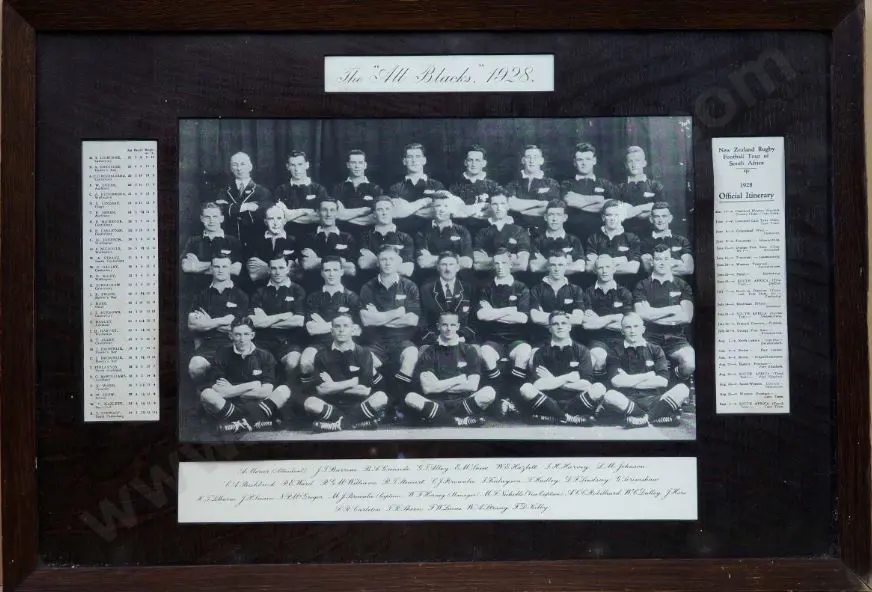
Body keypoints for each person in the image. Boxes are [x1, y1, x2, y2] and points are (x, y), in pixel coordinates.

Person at [199, 318, 291, 434]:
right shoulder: (222, 353)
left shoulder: (265, 356)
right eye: (237, 334)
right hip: (230, 405)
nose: (242, 339)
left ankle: (238, 424)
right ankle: (255, 422)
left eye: (246, 334)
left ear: (252, 335)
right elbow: (219, 391)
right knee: (207, 394)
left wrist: (232, 389)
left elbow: (266, 392)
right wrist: (252, 385)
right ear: (231, 335)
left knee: (284, 390)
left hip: (258, 404)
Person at [404, 312, 494, 427]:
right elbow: (428, 388)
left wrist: (439, 385)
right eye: (444, 325)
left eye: (452, 325)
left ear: (457, 326)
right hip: (436, 402)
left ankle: (440, 418)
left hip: (462, 401)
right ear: (438, 326)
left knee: (489, 392)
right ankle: (457, 421)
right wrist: (458, 379)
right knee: (410, 398)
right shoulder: (430, 351)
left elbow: (472, 386)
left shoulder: (469, 350)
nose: (449, 329)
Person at [516, 311, 605, 425]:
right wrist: (567, 377)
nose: (560, 327)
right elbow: (538, 385)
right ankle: (566, 418)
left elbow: (586, 384)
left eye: (564, 323)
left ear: (569, 327)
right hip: (548, 401)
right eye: (555, 324)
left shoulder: (582, 351)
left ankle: (555, 417)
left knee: (599, 388)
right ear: (549, 328)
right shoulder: (541, 352)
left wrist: (552, 379)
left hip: (575, 401)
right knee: (526, 388)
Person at [601, 313, 689, 427]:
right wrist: (647, 376)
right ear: (622, 331)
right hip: (627, 399)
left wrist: (627, 380)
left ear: (643, 329)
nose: (632, 330)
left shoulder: (655, 349)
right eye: (628, 327)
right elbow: (616, 382)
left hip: (653, 399)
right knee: (610, 395)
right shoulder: (615, 351)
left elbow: (663, 381)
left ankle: (643, 418)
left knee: (683, 389)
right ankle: (656, 416)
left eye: (636, 326)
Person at [304, 314, 389, 433]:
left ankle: (338, 424)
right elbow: (322, 390)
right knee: (309, 403)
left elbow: (365, 390)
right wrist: (354, 381)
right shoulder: (321, 355)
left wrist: (333, 385)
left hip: (358, 404)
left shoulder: (364, 354)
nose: (341, 330)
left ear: (353, 330)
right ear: (331, 331)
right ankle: (354, 424)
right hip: (332, 404)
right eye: (337, 326)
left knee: (381, 397)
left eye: (346, 326)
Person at [359, 245, 422, 399]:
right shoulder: (367, 287)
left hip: (401, 340)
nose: (387, 263)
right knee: (364, 360)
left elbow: (412, 320)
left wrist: (379, 317)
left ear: (398, 262)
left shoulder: (409, 286)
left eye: (391, 259)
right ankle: (384, 396)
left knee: (412, 354)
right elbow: (366, 321)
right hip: (376, 342)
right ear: (377, 263)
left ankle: (397, 401)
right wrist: (398, 313)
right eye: (383, 259)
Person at [633, 245, 695, 382]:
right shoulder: (642, 285)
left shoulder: (682, 285)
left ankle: (675, 379)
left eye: (666, 259)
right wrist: (673, 309)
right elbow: (641, 315)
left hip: (676, 338)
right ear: (652, 262)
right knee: (640, 365)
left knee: (690, 363)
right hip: (649, 337)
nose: (662, 262)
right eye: (658, 259)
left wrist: (652, 313)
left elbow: (687, 317)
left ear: (671, 261)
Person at [475, 249, 533, 396]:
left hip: (516, 338)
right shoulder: (486, 288)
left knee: (525, 352)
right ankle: (499, 392)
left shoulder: (521, 287)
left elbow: (523, 318)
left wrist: (493, 313)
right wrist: (510, 310)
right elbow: (481, 316)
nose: (500, 266)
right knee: (485, 353)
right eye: (497, 263)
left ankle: (513, 395)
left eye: (504, 263)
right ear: (493, 265)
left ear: (511, 264)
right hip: (493, 339)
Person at [186, 254, 250, 381]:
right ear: (211, 269)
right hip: (209, 344)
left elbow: (235, 328)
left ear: (230, 268)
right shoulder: (201, 295)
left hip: (235, 344)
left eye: (224, 266)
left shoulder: (241, 295)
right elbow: (192, 324)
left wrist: (208, 322)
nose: (220, 270)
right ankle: (203, 394)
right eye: (216, 266)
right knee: (195, 366)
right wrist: (223, 320)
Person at [300, 256, 362, 387]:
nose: (331, 274)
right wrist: (341, 326)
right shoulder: (313, 297)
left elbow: (356, 329)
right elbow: (311, 329)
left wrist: (323, 324)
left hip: (346, 343)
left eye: (335, 269)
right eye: (327, 270)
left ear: (341, 272)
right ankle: (309, 396)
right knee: (305, 362)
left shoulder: (352, 297)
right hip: (319, 343)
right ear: (322, 273)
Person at [248, 254, 306, 380]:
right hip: (262, 341)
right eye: (274, 268)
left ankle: (287, 390)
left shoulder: (297, 290)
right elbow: (255, 323)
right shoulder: (259, 291)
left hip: (289, 341)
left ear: (287, 269)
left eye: (281, 267)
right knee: (253, 364)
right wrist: (285, 315)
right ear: (268, 269)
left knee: (292, 362)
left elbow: (298, 321)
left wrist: (266, 321)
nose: (277, 272)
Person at [582, 255, 634, 376]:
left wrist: (598, 321)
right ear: (595, 270)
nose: (604, 271)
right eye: (600, 267)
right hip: (598, 339)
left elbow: (627, 324)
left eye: (607, 267)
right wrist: (615, 317)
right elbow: (587, 325)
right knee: (599, 359)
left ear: (614, 269)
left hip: (622, 338)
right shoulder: (587, 293)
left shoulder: (624, 293)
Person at [297, 197, 358, 292]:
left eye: (332, 210)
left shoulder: (347, 237)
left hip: (342, 290)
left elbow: (352, 270)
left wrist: (316, 261)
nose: (329, 214)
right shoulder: (307, 237)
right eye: (324, 210)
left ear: (337, 213)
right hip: (313, 288)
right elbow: (306, 265)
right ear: (318, 212)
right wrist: (341, 262)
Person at [214, 151, 273, 247]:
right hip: (229, 240)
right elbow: (220, 210)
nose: (239, 168)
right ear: (231, 168)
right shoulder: (223, 191)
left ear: (250, 167)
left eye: (242, 164)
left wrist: (232, 208)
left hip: (255, 241)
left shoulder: (262, 192)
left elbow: (262, 215)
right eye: (235, 165)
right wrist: (247, 207)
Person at [180, 201, 243, 290]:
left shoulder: (233, 241)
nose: (211, 221)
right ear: (202, 218)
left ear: (222, 219)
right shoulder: (193, 241)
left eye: (215, 217)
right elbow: (186, 267)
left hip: (225, 292)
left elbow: (236, 270)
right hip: (197, 291)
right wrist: (223, 267)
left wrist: (197, 267)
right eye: (207, 217)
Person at [388, 143, 448, 233]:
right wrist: (424, 202)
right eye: (410, 157)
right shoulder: (395, 188)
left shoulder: (437, 185)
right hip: (402, 235)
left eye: (417, 156)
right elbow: (396, 212)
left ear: (424, 160)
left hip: (431, 236)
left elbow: (440, 211)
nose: (414, 160)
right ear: (404, 161)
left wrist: (406, 209)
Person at [448, 145, 507, 235]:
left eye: (477, 160)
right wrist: (481, 207)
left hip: (488, 233)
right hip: (459, 233)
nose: (473, 164)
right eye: (470, 160)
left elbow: (499, 211)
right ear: (465, 162)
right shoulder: (455, 187)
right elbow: (451, 212)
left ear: (484, 163)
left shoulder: (493, 186)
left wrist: (464, 210)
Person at [560, 142, 615, 240]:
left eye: (588, 159)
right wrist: (599, 199)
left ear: (594, 161)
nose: (584, 163)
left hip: (600, 239)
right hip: (572, 237)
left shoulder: (605, 184)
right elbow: (569, 201)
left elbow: (611, 206)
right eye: (580, 159)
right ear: (574, 162)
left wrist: (579, 203)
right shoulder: (566, 183)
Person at [529, 251, 586, 342]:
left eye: (560, 265)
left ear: (566, 266)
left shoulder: (576, 289)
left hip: (569, 339)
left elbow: (578, 319)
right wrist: (566, 319)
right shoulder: (536, 289)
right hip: (542, 339)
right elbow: (535, 317)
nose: (556, 269)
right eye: (553, 265)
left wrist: (545, 317)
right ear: (547, 266)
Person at [420, 251, 475, 345]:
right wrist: (436, 339)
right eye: (444, 265)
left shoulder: (468, 288)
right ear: (437, 267)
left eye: (451, 264)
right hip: (435, 341)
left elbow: (474, 320)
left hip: (462, 340)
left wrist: (461, 337)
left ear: (457, 268)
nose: (448, 269)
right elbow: (422, 321)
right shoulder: (427, 289)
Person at [358, 196, 415, 280]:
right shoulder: (365, 237)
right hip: (371, 285)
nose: (384, 213)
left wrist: (376, 261)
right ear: (374, 214)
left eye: (387, 209)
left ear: (393, 212)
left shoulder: (405, 238)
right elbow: (363, 264)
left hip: (398, 286)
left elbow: (407, 270)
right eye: (380, 209)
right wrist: (395, 262)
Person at [472, 192, 531, 273]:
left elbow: (522, 265)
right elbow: (477, 265)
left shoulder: (519, 230)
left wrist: (489, 260)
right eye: (495, 204)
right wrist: (510, 259)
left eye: (502, 203)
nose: (499, 208)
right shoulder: (482, 231)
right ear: (490, 206)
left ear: (507, 206)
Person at [505, 145, 561, 229]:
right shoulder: (513, 184)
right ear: (523, 160)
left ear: (541, 161)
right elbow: (511, 204)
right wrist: (539, 203)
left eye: (535, 157)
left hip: (543, 231)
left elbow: (551, 209)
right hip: (517, 232)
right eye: (528, 157)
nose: (531, 161)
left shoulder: (551, 183)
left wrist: (522, 210)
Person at [415, 193, 473, 273]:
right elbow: (422, 262)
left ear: (451, 209)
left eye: (446, 206)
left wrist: (432, 259)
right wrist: (456, 260)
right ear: (432, 208)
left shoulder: (462, 231)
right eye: (438, 206)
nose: (442, 210)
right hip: (430, 277)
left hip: (458, 277)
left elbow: (468, 263)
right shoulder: (422, 232)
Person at [584, 199, 641, 278]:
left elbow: (633, 268)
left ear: (621, 217)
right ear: (603, 217)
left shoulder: (632, 238)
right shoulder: (594, 238)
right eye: (609, 215)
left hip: (625, 286)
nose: (612, 218)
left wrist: (601, 265)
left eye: (616, 215)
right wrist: (621, 260)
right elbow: (589, 267)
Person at [616, 146, 666, 235]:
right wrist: (648, 207)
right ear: (626, 165)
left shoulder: (655, 185)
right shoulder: (619, 188)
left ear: (644, 163)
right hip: (625, 235)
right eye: (630, 161)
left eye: (637, 160)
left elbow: (661, 211)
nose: (634, 164)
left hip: (651, 234)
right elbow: (618, 214)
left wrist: (632, 211)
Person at [273, 150, 330, 227]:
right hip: (288, 234)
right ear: (287, 167)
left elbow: (321, 218)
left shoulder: (319, 189)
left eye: (300, 164)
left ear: (307, 165)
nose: (297, 169)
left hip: (313, 234)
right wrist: (304, 211)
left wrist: (288, 215)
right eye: (293, 165)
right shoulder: (281, 190)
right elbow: (278, 217)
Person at [244, 204, 297, 285]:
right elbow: (253, 269)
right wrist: (282, 270)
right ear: (265, 222)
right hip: (261, 287)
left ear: (284, 221)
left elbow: (296, 272)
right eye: (271, 219)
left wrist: (265, 269)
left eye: (279, 218)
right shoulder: (254, 241)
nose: (275, 223)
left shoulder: (294, 241)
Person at [332, 149, 382, 235]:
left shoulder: (375, 188)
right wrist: (363, 211)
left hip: (369, 236)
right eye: (353, 162)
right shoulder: (338, 188)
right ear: (348, 165)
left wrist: (346, 215)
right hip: (343, 235)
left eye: (360, 163)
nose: (357, 166)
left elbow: (376, 217)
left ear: (365, 165)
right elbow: (338, 215)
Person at [528, 200, 585, 275]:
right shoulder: (537, 241)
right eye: (551, 214)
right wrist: (566, 263)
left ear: (565, 217)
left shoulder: (573, 240)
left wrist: (545, 263)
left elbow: (580, 267)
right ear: (545, 217)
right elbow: (534, 267)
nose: (554, 219)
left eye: (558, 215)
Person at [640, 202, 694, 276]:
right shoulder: (643, 242)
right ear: (651, 219)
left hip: (678, 286)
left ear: (670, 218)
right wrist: (677, 262)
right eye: (656, 216)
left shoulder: (682, 240)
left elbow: (689, 268)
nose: (660, 220)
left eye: (664, 216)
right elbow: (648, 269)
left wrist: (659, 266)